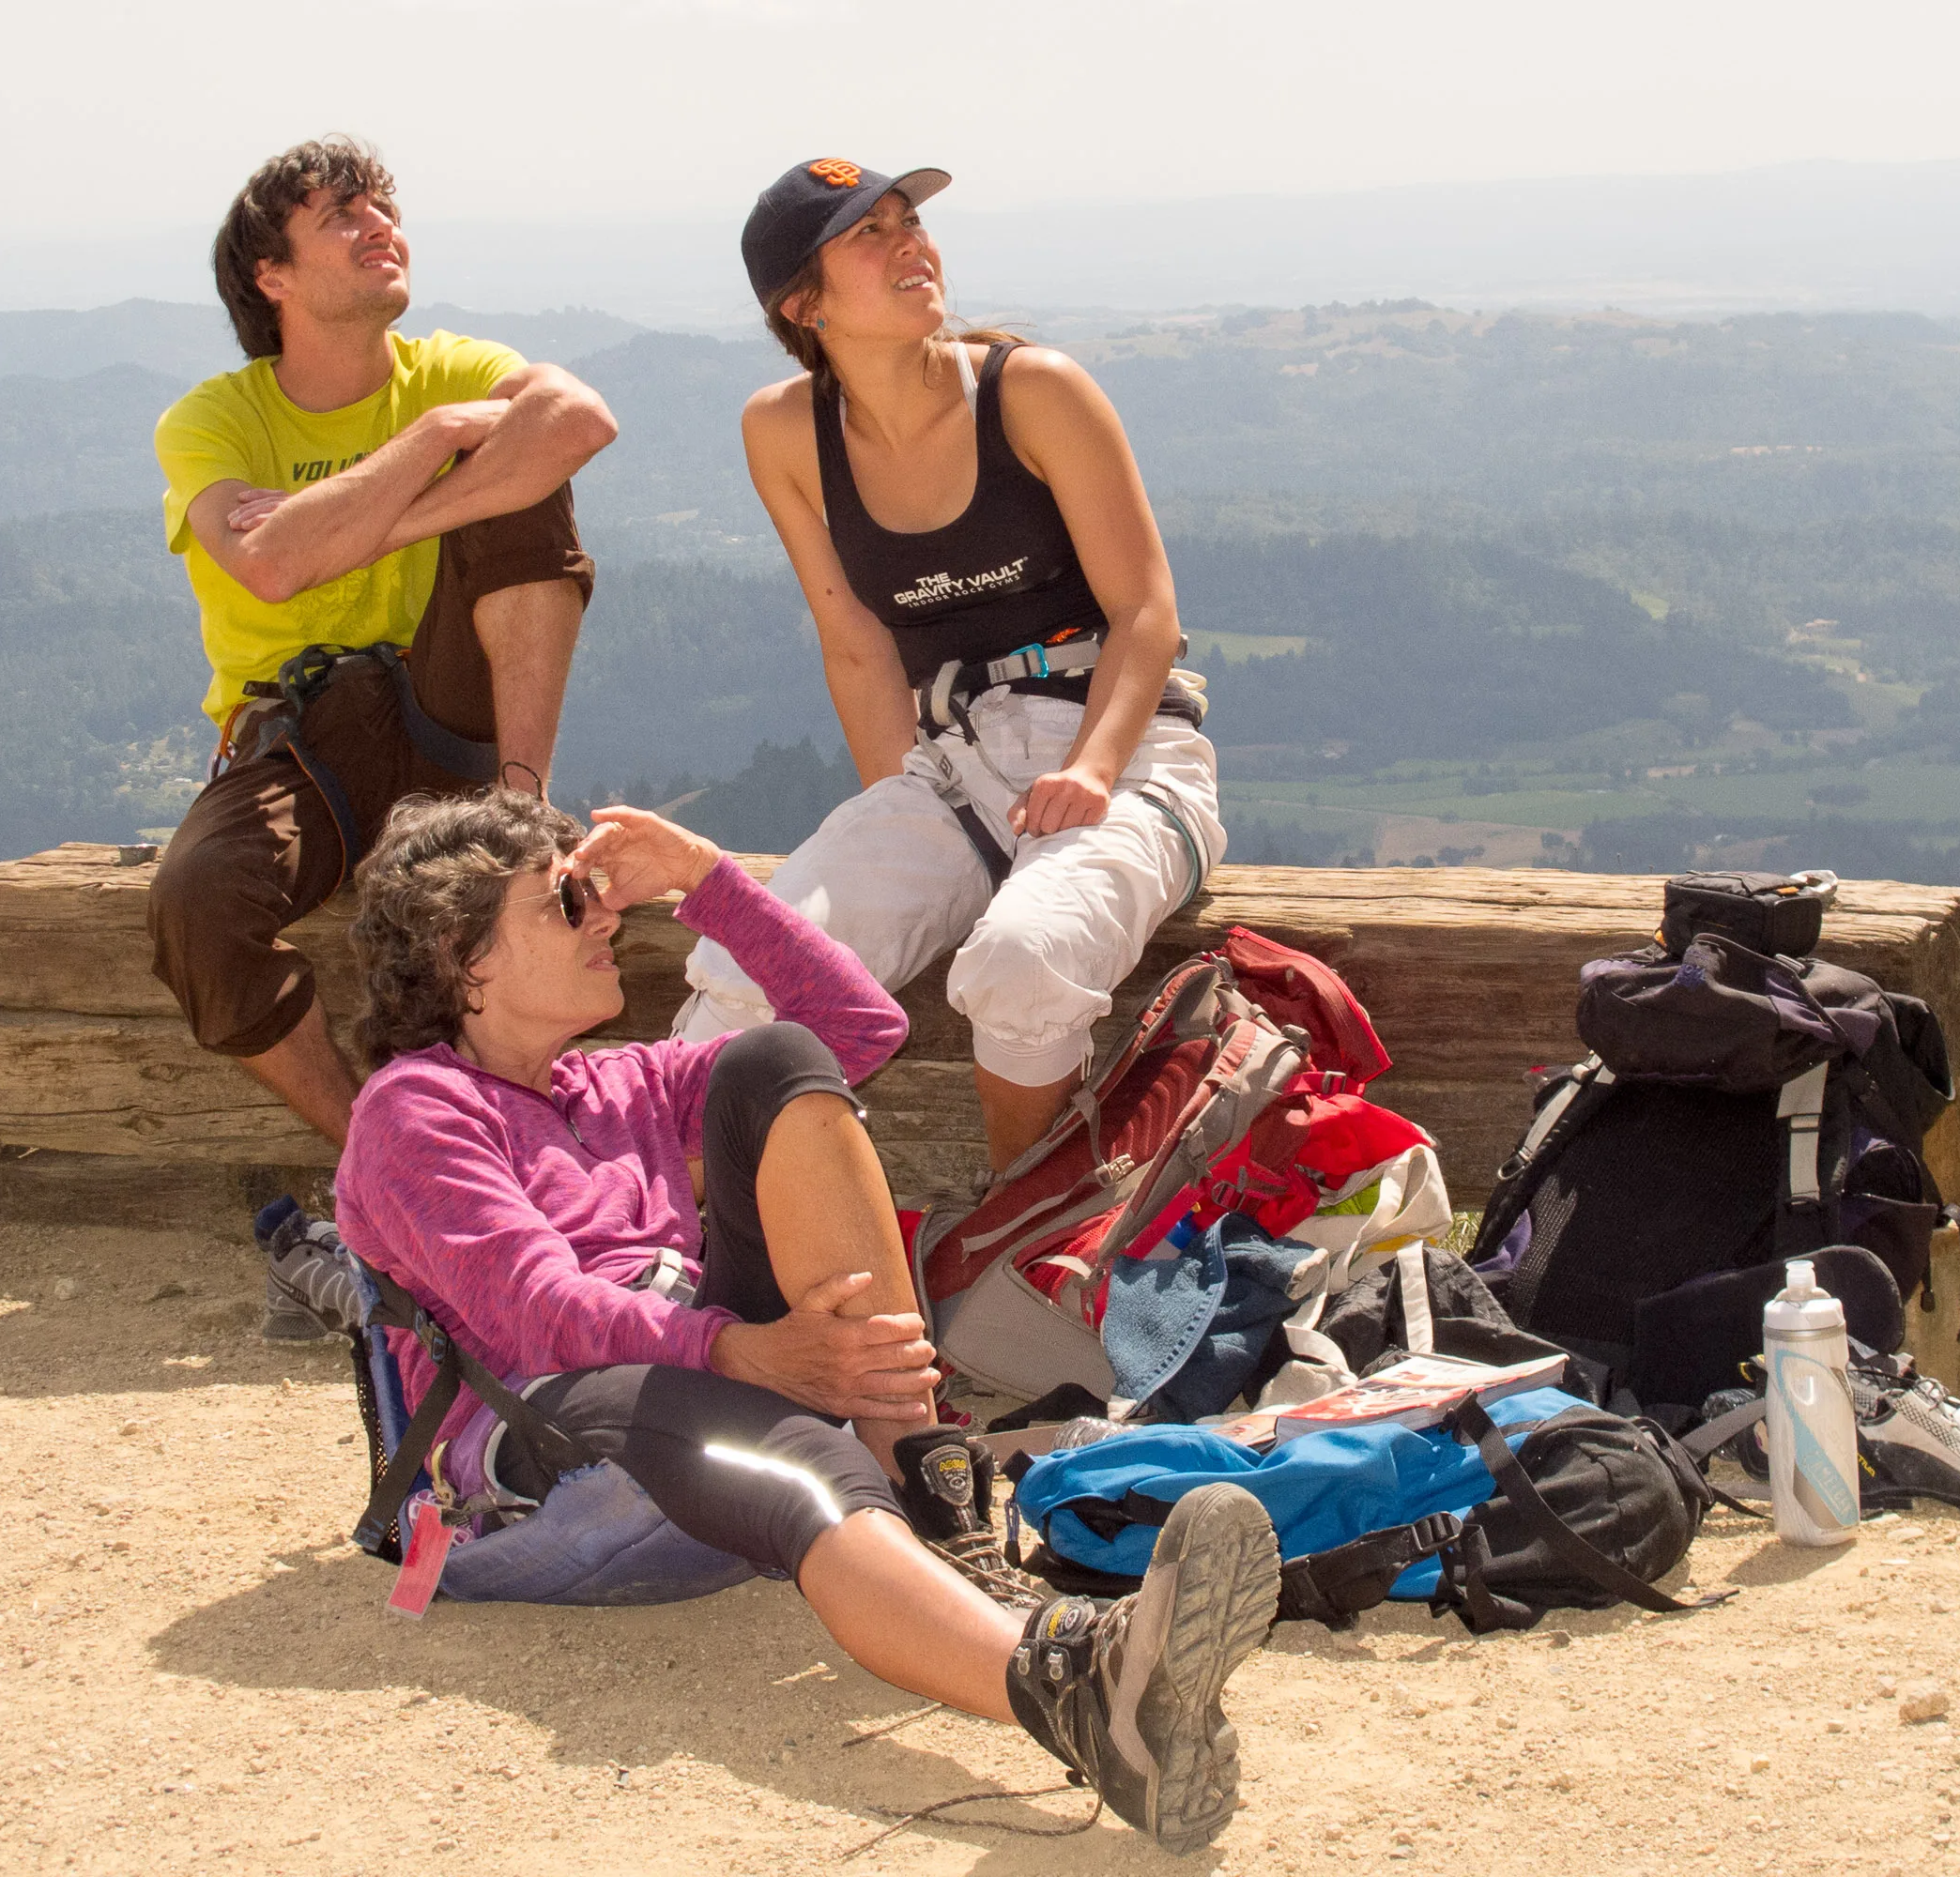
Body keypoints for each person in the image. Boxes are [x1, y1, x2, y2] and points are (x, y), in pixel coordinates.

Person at [333, 789, 1283, 1854]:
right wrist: (747, 1351)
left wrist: (706, 876)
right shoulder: (414, 1109)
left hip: (679, 1381)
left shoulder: (618, 1082)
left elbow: (854, 1031)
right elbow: (540, 1313)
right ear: (467, 958)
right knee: (779, 1444)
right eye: (563, 900)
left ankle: (934, 1505)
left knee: (773, 1063)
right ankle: (1077, 1686)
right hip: (535, 1447)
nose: (603, 915)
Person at [670, 160, 1226, 1170]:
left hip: (1130, 752)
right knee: (751, 966)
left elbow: (1146, 610)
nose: (908, 242)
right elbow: (853, 639)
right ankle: (655, 1253)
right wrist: (908, 823)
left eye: (906, 220)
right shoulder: (783, 430)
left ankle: (1020, 1234)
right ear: (803, 303)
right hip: (955, 764)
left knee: (1023, 959)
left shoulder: (1033, 391)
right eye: (868, 235)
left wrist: (1094, 768)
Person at [145, 134, 617, 1170]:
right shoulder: (213, 421)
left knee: (528, 476)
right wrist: (440, 434)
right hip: (301, 740)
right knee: (197, 903)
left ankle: (524, 811)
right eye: (342, 216)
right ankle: (394, 1158)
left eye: (384, 209)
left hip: (451, 705)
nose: (380, 229)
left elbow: (579, 419)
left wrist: (371, 522)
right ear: (272, 275)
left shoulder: (454, 364)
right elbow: (269, 569)